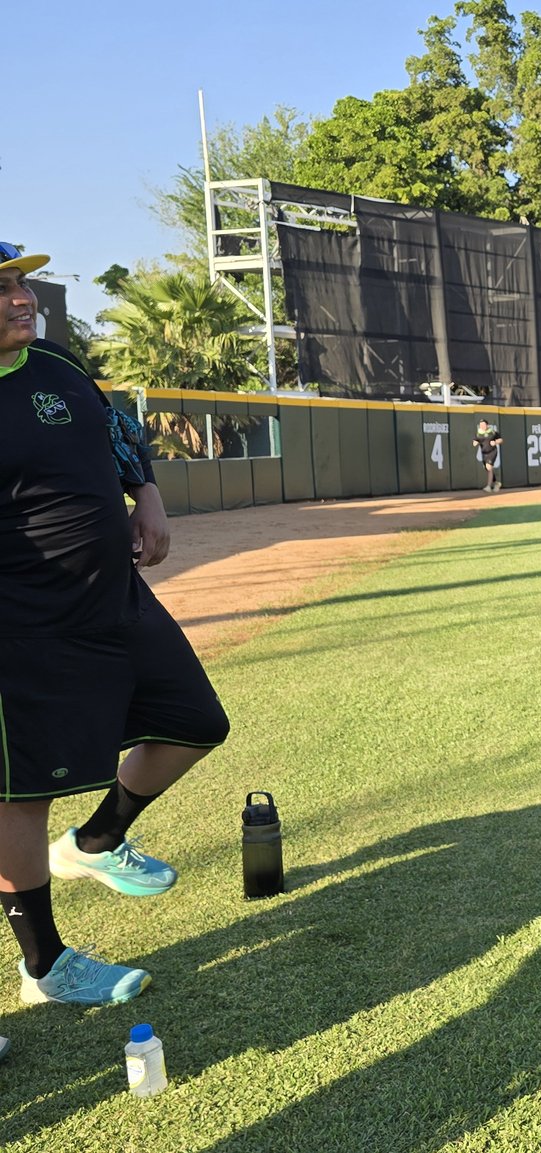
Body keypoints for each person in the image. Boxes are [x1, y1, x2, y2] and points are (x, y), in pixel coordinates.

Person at [0, 241, 230, 1009]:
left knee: (197, 720)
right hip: (24, 630)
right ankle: (45, 967)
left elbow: (117, 430)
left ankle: (95, 840)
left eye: (19, 282)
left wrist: (149, 493)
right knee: (19, 797)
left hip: (117, 602)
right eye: (0, 290)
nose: (20, 298)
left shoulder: (58, 366)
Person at [473, 419, 504, 491]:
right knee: (488, 469)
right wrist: (475, 443)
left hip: (492, 451)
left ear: (487, 425)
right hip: (484, 453)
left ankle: (488, 486)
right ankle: (496, 483)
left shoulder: (492, 432)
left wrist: (496, 442)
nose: (482, 426)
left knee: (489, 467)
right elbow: (474, 441)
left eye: (483, 425)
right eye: (481, 425)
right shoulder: (478, 433)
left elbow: (501, 440)